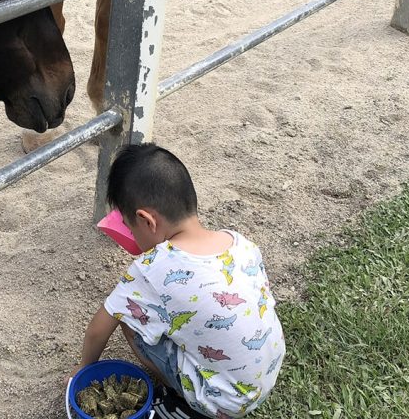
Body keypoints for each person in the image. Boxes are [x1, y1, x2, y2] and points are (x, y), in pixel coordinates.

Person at [73, 144, 284, 419]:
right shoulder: (238, 242)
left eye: (128, 225)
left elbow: (98, 329)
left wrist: (83, 371)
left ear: (146, 220)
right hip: (266, 376)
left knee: (129, 317)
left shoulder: (152, 267)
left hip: (223, 403)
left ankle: (182, 401)